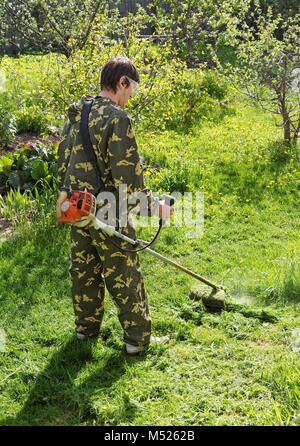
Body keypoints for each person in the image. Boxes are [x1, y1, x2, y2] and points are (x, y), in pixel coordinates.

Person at [56, 57, 173, 355]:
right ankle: (137, 341)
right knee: (124, 275)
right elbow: (128, 178)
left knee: (85, 271)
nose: (131, 95)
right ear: (122, 82)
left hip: (77, 207)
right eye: (131, 87)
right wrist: (153, 207)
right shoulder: (118, 119)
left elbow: (63, 161)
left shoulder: (80, 111)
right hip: (108, 211)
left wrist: (65, 196)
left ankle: (86, 331)